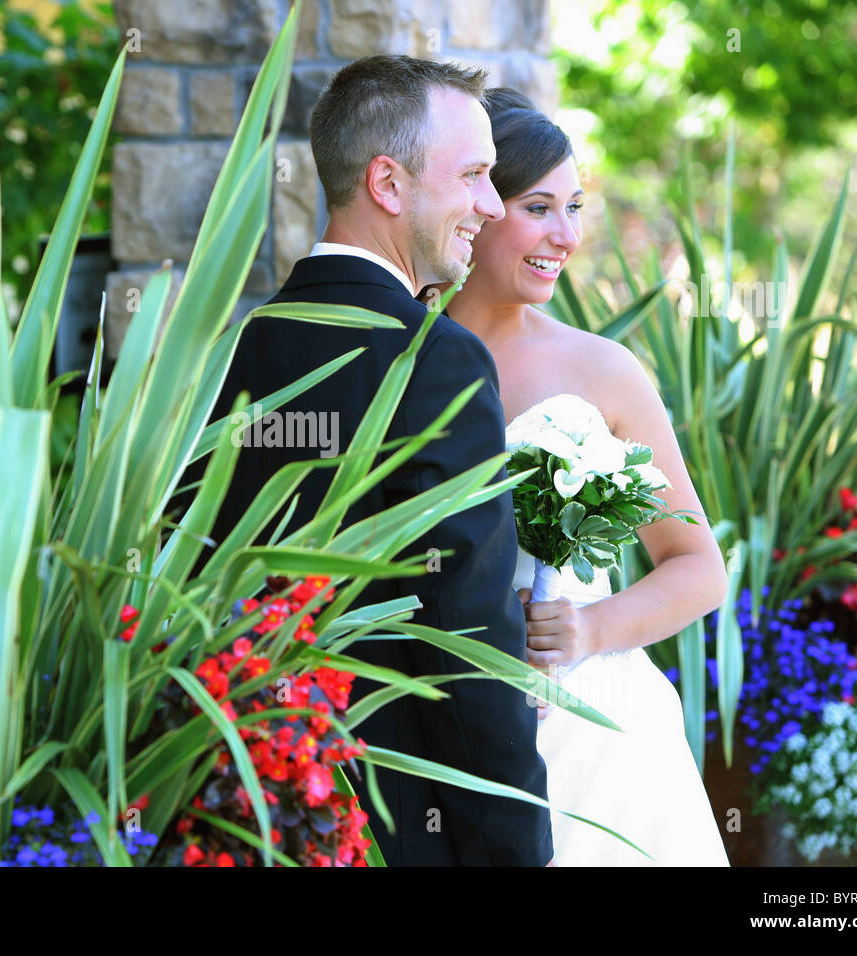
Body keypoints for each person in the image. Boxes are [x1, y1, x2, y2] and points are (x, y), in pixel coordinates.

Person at [195, 57, 554, 865]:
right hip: (389, 818)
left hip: (235, 803)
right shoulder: (434, 359)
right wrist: (514, 847)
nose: (490, 207)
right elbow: (467, 633)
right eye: (473, 176)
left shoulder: (229, 350)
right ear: (388, 184)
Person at [442, 88, 731, 865]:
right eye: (540, 207)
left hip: (599, 735)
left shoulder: (603, 370)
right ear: (476, 204)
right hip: (437, 728)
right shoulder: (399, 365)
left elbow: (700, 566)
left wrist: (587, 631)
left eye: (575, 207)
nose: (566, 235)